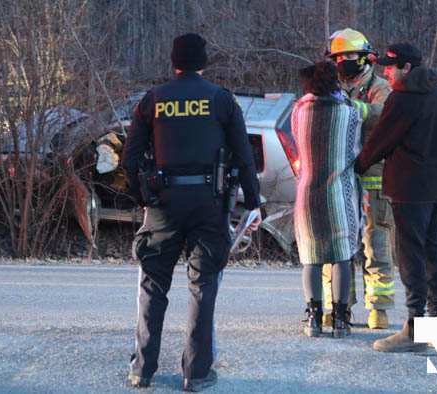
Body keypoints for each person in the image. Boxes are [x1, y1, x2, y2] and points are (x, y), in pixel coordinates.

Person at [122, 33, 262, 390]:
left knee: (152, 286)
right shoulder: (221, 99)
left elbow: (131, 157)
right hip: (207, 206)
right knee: (203, 287)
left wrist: (141, 196)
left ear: (173, 62)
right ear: (204, 62)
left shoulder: (152, 100)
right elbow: (244, 157)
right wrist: (254, 202)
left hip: (162, 205)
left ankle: (142, 369)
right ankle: (196, 373)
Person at [355, 43, 437, 352]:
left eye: (391, 66)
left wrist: (356, 166)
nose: (386, 71)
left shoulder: (403, 99)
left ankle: (414, 330)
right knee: (433, 252)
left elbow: (380, 141)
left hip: (408, 187)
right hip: (435, 186)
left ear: (408, 68)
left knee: (411, 256)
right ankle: (436, 324)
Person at [323, 28, 395, 330]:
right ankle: (338, 306)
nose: (343, 62)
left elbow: (383, 115)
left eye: (349, 56)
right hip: (338, 177)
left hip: (372, 178)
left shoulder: (380, 88)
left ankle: (379, 308)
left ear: (366, 58)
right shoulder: (330, 88)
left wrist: (352, 108)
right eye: (338, 57)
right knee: (337, 244)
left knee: (375, 242)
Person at [293, 61, 363, 338]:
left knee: (311, 256)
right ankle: (341, 319)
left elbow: (297, 143)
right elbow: (355, 149)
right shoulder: (349, 111)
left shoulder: (299, 111)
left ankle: (313, 317)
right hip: (339, 191)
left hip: (307, 192)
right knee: (341, 256)